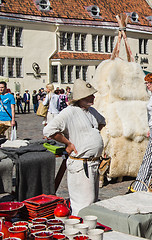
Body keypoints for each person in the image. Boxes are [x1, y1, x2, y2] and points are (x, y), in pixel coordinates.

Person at [43, 79, 106, 215]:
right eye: (89, 95)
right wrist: (68, 143)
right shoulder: (69, 112)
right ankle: (78, 233)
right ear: (81, 97)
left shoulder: (92, 111)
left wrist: (92, 137)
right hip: (81, 164)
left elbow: (102, 122)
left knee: (92, 203)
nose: (93, 97)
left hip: (93, 163)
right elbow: (49, 130)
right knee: (83, 205)